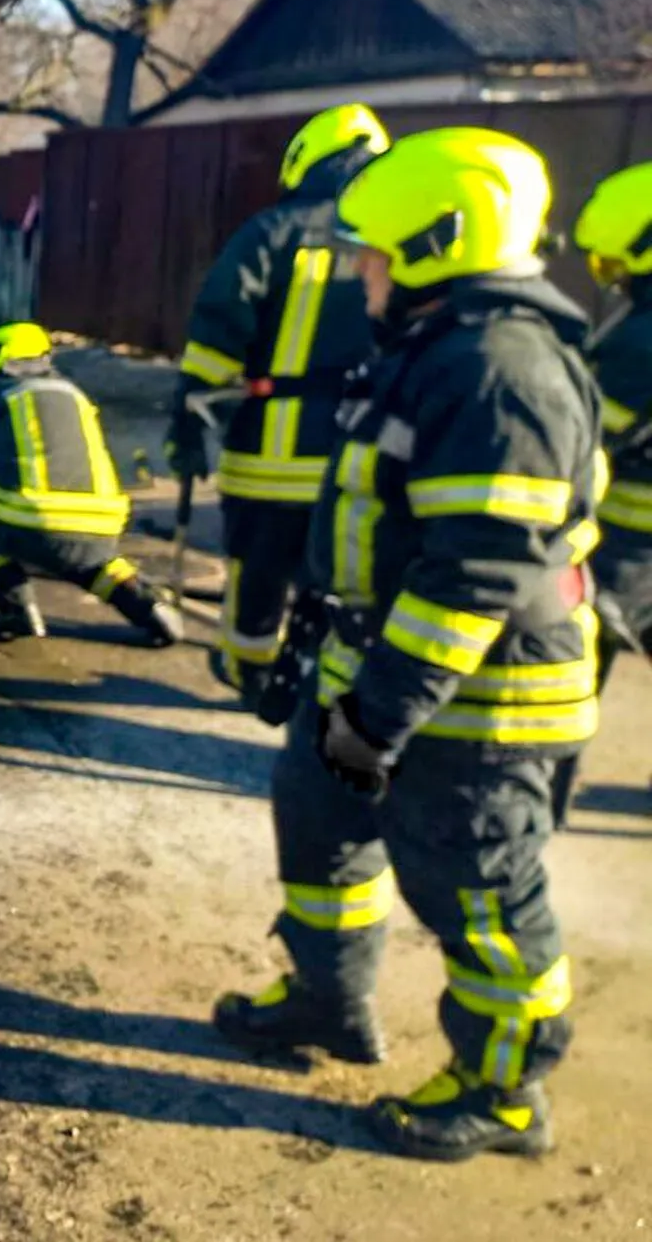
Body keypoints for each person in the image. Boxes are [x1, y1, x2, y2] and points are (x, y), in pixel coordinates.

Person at [212, 128, 602, 1162]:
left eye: (373, 255)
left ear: (437, 244)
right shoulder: (436, 351)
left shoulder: (497, 372)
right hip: (378, 674)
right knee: (317, 825)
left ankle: (502, 1090)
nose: (359, 274)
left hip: (475, 706)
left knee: (475, 895)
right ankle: (325, 1002)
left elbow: (470, 573)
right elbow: (379, 523)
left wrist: (373, 719)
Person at [167, 104, 388, 707]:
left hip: (271, 448)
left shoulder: (273, 232)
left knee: (258, 570)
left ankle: (247, 668)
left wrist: (187, 421)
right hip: (359, 451)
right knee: (336, 571)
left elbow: (218, 331)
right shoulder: (388, 239)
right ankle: (314, 673)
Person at [0, 322, 183, 646]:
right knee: (87, 562)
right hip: (103, 522)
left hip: (30, 520)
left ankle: (10, 608)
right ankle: (150, 608)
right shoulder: (75, 395)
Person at [575, 163, 652, 725]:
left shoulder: (639, 340)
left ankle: (546, 781)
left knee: (579, 655)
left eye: (615, 264)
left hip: (628, 537)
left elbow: (590, 436)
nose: (612, 280)